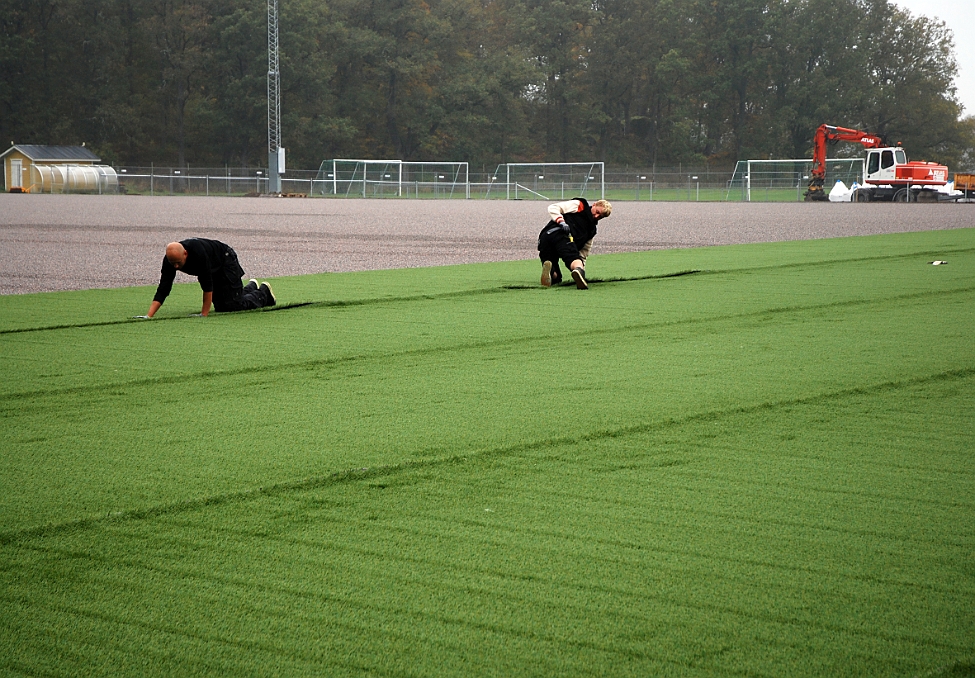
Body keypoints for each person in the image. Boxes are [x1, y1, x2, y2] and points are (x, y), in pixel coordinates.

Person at [141, 238, 276, 318]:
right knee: (221, 306)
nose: (176, 266)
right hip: (214, 268)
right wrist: (149, 315)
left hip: (225, 260)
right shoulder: (170, 261)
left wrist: (203, 314)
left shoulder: (198, 253)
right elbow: (164, 287)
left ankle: (263, 292)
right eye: (173, 263)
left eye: (179, 263)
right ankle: (251, 287)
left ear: (185, 254)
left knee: (233, 305)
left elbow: (207, 283)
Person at [537, 198, 612, 289]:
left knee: (556, 278)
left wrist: (582, 263)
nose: (596, 216)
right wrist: (561, 222)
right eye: (597, 212)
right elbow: (553, 207)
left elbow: (585, 250)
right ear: (594, 204)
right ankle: (578, 271)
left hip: (545, 238)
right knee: (572, 257)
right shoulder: (579, 205)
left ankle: (551, 273)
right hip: (561, 235)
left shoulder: (591, 230)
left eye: (600, 216)